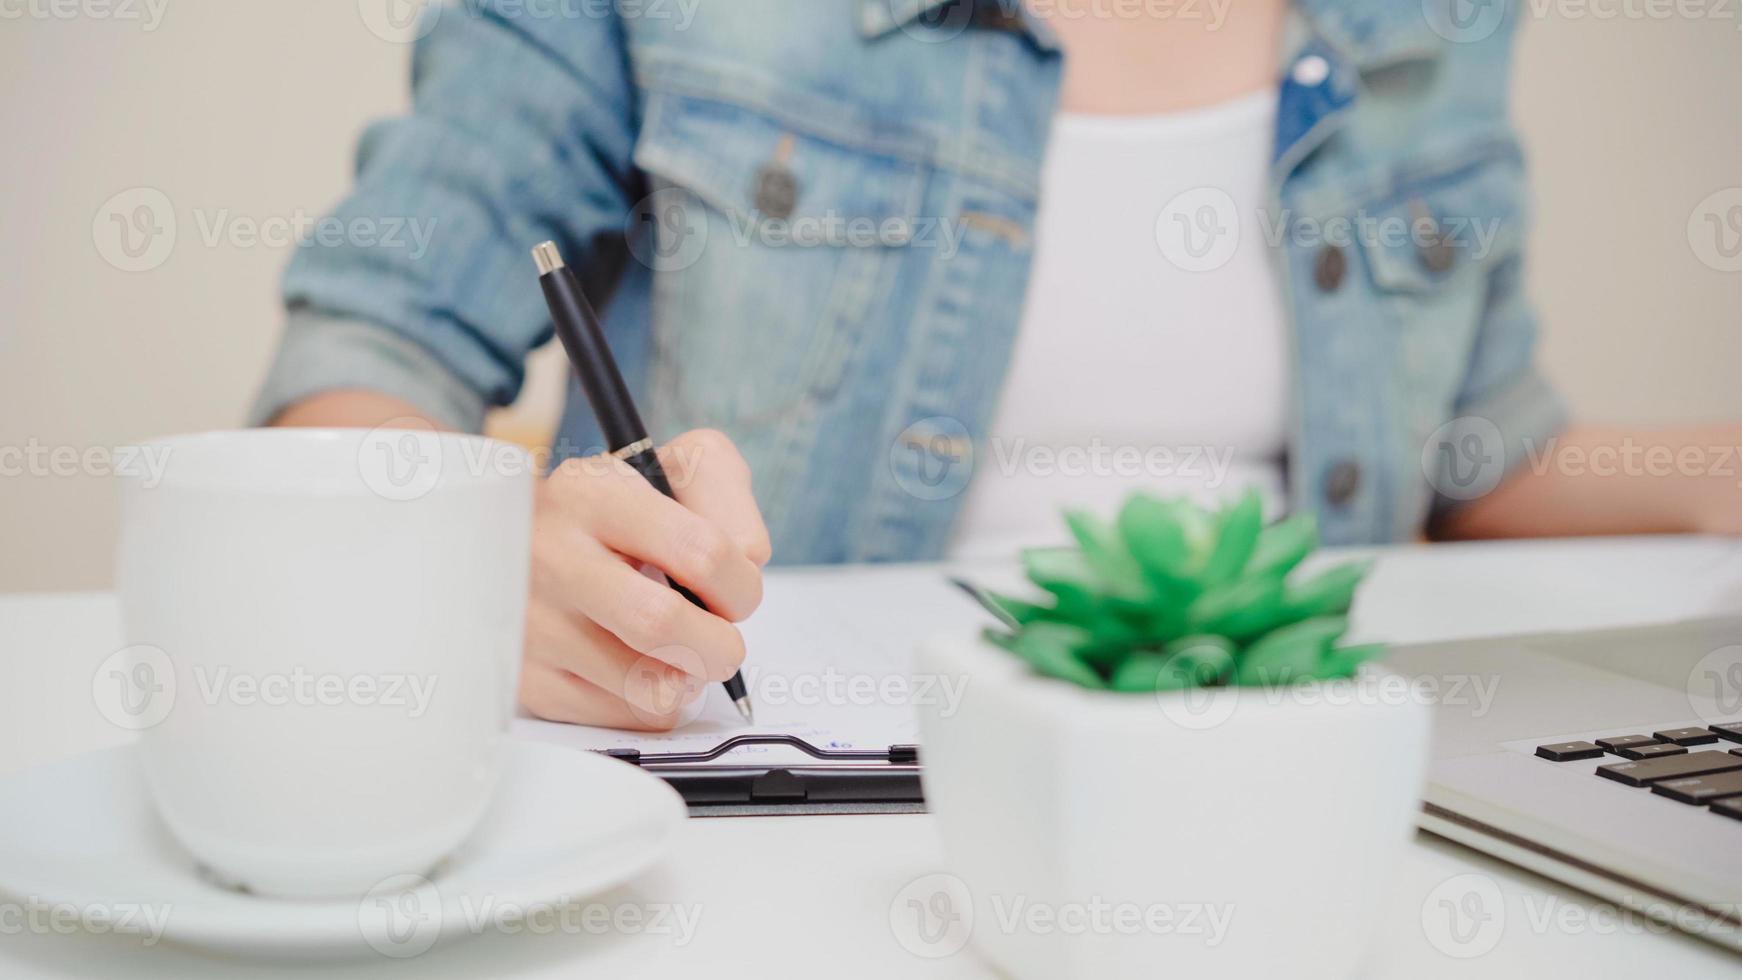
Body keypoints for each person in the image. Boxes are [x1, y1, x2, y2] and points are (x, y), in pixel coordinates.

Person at [255, 0, 1742, 729]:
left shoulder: (1436, 17)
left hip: (1303, 769)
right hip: (788, 796)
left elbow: (1478, 453)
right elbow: (364, 349)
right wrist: (458, 557)